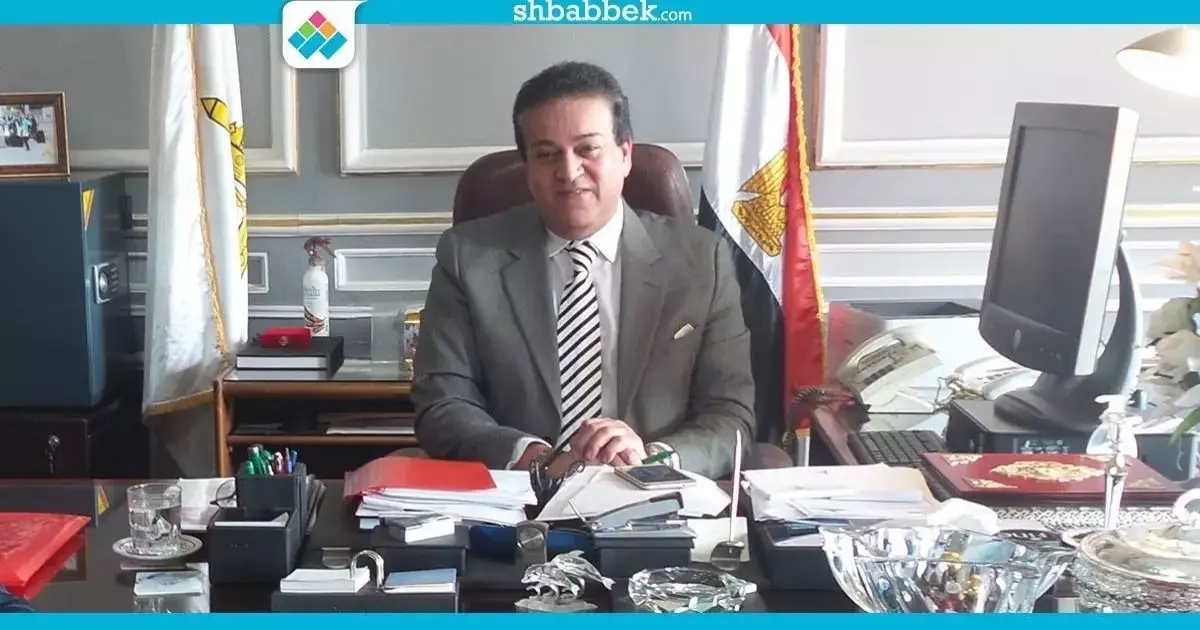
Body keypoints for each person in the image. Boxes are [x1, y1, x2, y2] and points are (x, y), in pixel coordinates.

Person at [411, 61, 755, 480]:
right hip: (521, 495)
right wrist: (537, 459)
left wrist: (654, 459)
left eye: (588, 149)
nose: (569, 172)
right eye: (546, 154)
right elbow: (443, 404)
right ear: (527, 167)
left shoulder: (702, 260)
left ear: (625, 154)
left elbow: (730, 415)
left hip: (654, 496)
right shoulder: (467, 257)